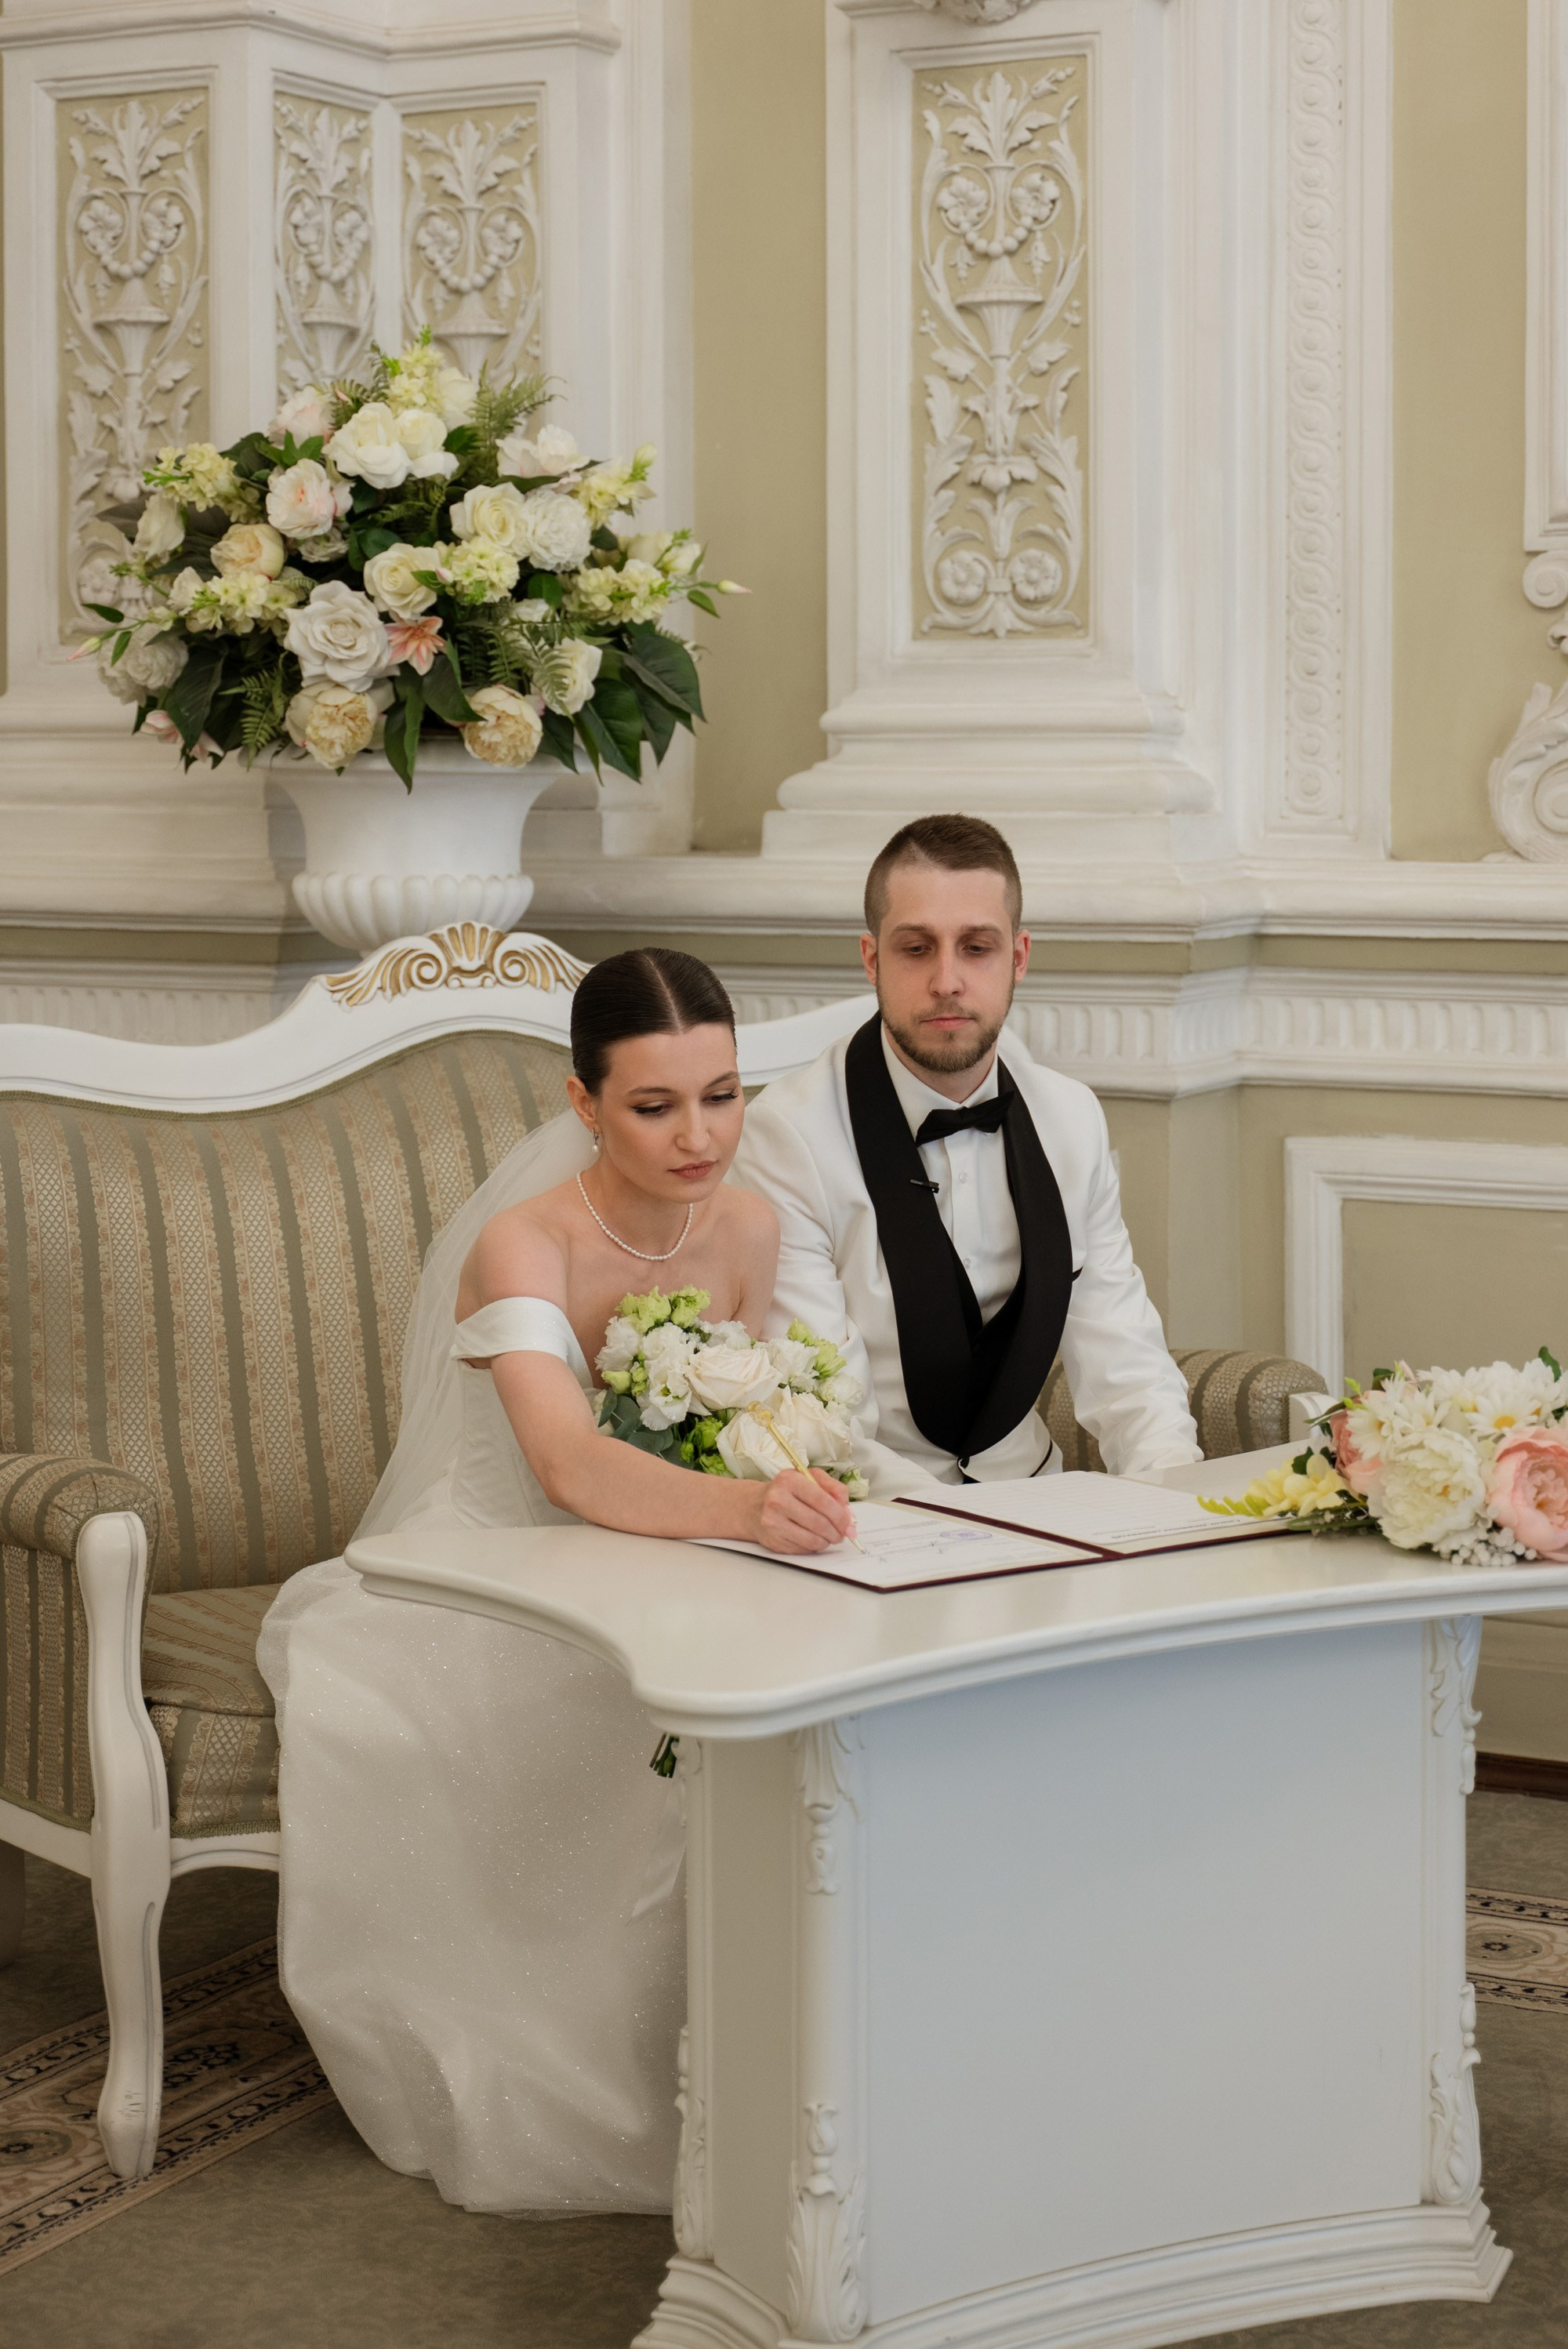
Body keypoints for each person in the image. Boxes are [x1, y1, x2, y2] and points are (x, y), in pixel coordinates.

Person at [257, 949, 850, 2219]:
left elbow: (766, 1419)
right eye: (655, 1106)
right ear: (584, 1103)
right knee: (650, 1721)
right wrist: (750, 1508)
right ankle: (654, 2091)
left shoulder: (749, 1226)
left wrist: (793, 1483)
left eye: (723, 1096)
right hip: (497, 1576)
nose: (700, 1137)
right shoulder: (522, 1245)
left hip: (677, 1558)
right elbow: (568, 1466)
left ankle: (807, 2073)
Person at [731, 815, 1203, 1492]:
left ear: (1019, 957)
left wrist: (1176, 1506)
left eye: (976, 947)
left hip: (1039, 1501)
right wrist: (965, 1540)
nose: (947, 980)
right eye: (916, 949)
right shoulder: (785, 1137)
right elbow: (827, 1414)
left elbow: (1126, 1362)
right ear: (872, 959)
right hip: (876, 1516)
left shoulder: (1072, 1119)